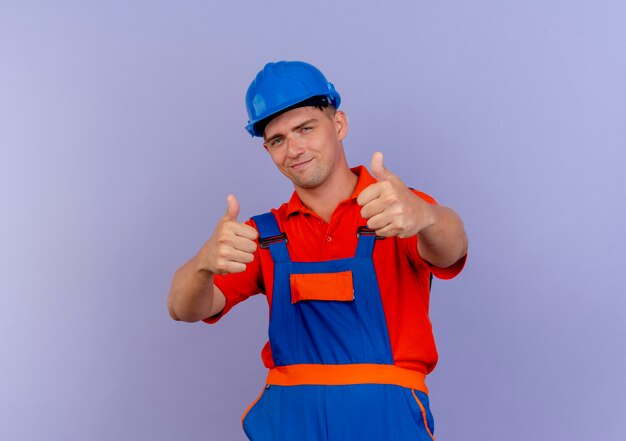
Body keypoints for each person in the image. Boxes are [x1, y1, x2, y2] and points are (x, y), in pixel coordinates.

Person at [168, 60, 468, 441]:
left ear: (338, 125)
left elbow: (452, 247)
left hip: (386, 422)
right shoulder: (264, 236)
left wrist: (426, 216)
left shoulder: (395, 208)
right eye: (277, 140)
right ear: (268, 150)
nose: (294, 149)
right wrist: (202, 266)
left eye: (305, 128)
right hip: (291, 425)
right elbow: (182, 308)